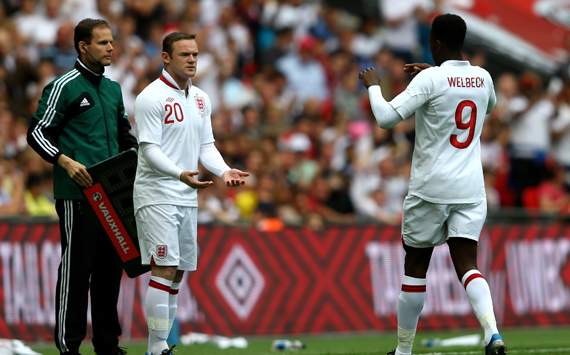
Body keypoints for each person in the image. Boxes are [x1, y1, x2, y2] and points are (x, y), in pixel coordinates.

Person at [359, 14, 506, 355]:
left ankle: (403, 350)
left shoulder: (431, 80)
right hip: (470, 189)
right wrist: (437, 77)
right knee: (468, 265)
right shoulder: (483, 77)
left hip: (431, 187)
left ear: (435, 43)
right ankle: (493, 334)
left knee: (415, 267)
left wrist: (373, 85)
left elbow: (385, 118)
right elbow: (489, 106)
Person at [133, 32, 249, 355]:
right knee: (164, 267)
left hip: (187, 194)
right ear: (166, 58)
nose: (192, 60)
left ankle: (160, 347)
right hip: (157, 192)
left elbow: (206, 146)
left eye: (195, 54)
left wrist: (224, 170)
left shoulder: (200, 98)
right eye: (184, 54)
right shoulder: (150, 97)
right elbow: (150, 150)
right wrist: (179, 172)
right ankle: (156, 348)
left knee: (178, 272)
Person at [27, 18, 137, 355]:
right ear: (82, 47)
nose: (110, 48)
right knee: (76, 272)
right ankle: (68, 346)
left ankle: (107, 345)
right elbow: (37, 132)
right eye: (102, 43)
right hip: (79, 194)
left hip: (113, 196)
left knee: (109, 273)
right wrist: (65, 161)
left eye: (111, 42)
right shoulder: (65, 86)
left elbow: (124, 137)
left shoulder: (113, 89)